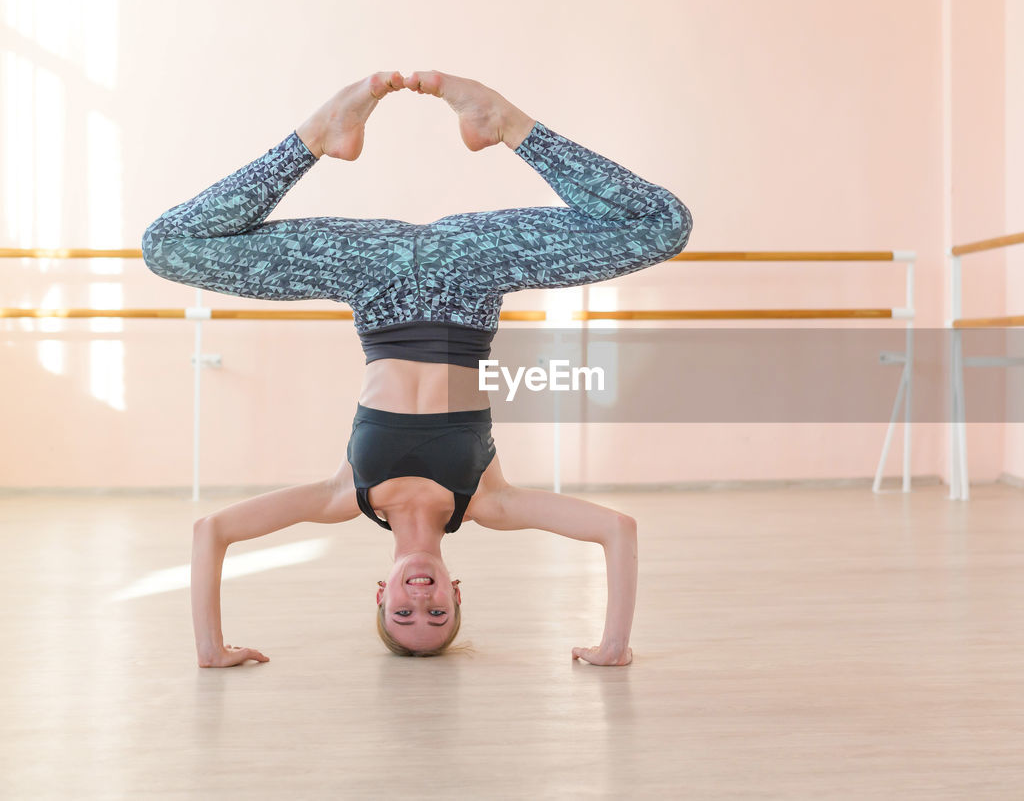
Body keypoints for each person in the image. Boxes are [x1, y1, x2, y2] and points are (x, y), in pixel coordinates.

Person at [142, 70, 692, 668]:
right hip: (472, 268)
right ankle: (504, 125)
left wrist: (209, 649)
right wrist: (614, 645)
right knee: (663, 225)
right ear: (457, 595)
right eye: (438, 614)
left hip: (369, 275)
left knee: (168, 246)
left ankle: (317, 136)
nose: (420, 600)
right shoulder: (488, 500)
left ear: (381, 594)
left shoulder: (342, 496)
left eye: (402, 613)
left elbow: (213, 532)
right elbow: (617, 530)